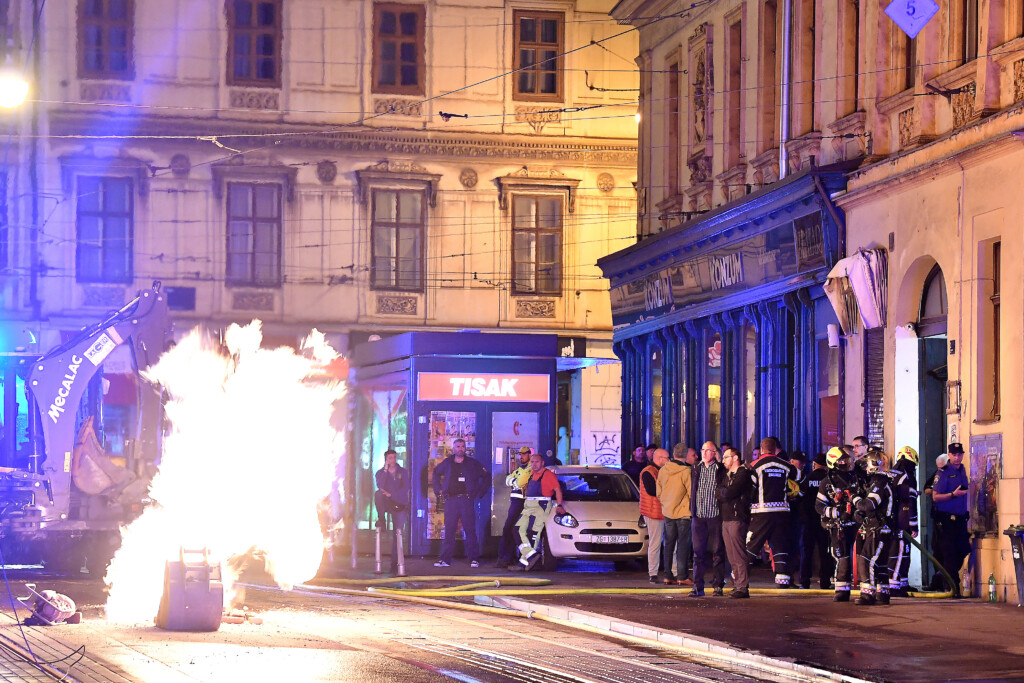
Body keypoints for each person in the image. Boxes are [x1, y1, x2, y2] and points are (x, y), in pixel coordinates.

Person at [745, 436, 798, 587]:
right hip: (782, 512)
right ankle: (783, 580)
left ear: (761, 450)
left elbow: (751, 490)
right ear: (775, 449)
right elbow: (796, 480)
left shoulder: (755, 466)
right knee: (780, 544)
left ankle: (740, 578)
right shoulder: (786, 466)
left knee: (752, 544)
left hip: (762, 512)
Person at [432, 438, 490, 569]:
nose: (460, 448)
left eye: (462, 446)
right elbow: (436, 473)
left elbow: (486, 476)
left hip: (466, 500)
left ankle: (474, 559)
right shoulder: (447, 462)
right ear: (454, 448)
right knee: (449, 531)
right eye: (458, 446)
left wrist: (479, 493)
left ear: (465, 448)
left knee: (470, 530)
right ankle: (445, 560)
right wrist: (438, 490)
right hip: (451, 500)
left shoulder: (472, 463)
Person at [852, 451, 896, 605]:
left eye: (866, 463)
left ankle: (867, 594)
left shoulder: (879, 482)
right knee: (881, 563)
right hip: (882, 528)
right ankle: (883, 594)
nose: (864, 468)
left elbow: (870, 504)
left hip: (878, 529)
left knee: (867, 559)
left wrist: (855, 498)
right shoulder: (882, 480)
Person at [816, 446, 859, 602]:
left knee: (861, 556)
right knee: (842, 557)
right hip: (838, 526)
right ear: (833, 463)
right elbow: (819, 507)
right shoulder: (827, 483)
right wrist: (837, 513)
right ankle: (841, 590)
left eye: (846, 460)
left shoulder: (855, 477)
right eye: (841, 461)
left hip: (856, 524)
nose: (845, 464)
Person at [515, 453, 566, 570]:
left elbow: (557, 490)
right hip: (528, 506)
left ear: (542, 463)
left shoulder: (548, 475)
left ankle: (524, 564)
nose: (534, 464)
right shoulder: (531, 474)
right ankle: (532, 555)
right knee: (517, 530)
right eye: (532, 462)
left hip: (541, 506)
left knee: (533, 534)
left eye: (537, 462)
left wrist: (559, 505)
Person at [931, 442, 970, 592]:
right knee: (949, 553)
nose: (957, 457)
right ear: (949, 455)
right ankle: (952, 587)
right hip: (946, 519)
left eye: (960, 454)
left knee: (963, 549)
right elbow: (935, 497)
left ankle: (943, 578)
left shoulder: (962, 470)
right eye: (954, 454)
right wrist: (953, 495)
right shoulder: (943, 472)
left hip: (960, 519)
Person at [689, 441, 726, 597]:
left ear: (715, 453)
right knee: (698, 553)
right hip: (699, 516)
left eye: (708, 450)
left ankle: (718, 585)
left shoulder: (720, 469)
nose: (704, 453)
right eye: (703, 449)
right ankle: (698, 586)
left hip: (715, 516)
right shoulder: (696, 468)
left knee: (718, 551)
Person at [718, 447, 753, 598]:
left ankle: (742, 586)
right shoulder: (727, 475)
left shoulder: (743, 474)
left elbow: (730, 492)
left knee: (738, 553)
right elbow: (719, 491)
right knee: (731, 555)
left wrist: (724, 492)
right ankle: (737, 583)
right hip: (726, 518)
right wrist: (724, 492)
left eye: (726, 457)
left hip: (737, 518)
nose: (723, 460)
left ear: (735, 458)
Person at [657, 447, 693, 586]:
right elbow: (691, 492)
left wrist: (666, 503)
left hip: (667, 511)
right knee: (683, 545)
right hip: (683, 512)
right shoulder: (686, 472)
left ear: (673, 454)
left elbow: (658, 492)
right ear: (685, 456)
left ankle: (667, 575)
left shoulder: (663, 470)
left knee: (668, 544)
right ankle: (682, 576)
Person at [887, 446, 920, 595]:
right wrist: (914, 526)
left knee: (901, 551)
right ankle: (894, 585)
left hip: (890, 519)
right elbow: (910, 503)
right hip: (902, 521)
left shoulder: (891, 474)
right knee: (900, 553)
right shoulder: (907, 477)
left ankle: (903, 583)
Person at [799, 452, 834, 589]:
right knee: (825, 552)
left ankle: (805, 581)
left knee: (806, 551)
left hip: (809, 521)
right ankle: (825, 581)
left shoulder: (808, 479)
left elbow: (800, 498)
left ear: (814, 465)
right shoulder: (829, 480)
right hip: (825, 520)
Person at [375, 449, 410, 572]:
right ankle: (381, 519)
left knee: (397, 533)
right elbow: (380, 485)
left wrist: (392, 494)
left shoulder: (403, 472)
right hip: (387, 502)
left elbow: (406, 487)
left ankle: (394, 564)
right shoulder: (381, 472)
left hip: (399, 502)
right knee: (378, 494)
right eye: (390, 458)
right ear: (386, 460)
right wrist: (385, 470)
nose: (393, 460)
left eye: (394, 457)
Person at [497, 446, 533, 567]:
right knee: (510, 530)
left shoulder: (530, 468)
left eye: (524, 454)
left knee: (512, 529)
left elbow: (520, 482)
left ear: (529, 454)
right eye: (520, 454)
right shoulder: (519, 469)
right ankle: (507, 558)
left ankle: (508, 558)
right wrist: (514, 481)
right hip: (515, 503)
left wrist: (514, 481)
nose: (521, 456)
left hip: (522, 503)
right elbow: (507, 479)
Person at [639, 448, 667, 583]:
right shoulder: (649, 472)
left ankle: (667, 572)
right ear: (660, 458)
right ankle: (653, 573)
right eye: (666, 458)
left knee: (662, 543)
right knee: (655, 543)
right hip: (654, 512)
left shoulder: (657, 471)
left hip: (661, 511)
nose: (668, 461)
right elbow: (652, 491)